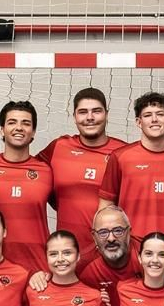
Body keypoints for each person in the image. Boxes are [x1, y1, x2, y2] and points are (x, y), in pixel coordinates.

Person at [98, 92, 164, 246]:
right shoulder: (121, 157)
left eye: (160, 114)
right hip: (130, 251)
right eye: (148, 115)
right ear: (138, 122)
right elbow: (105, 207)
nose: (154, 119)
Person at [38, 87, 127, 244]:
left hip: (110, 252)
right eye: (83, 112)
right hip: (68, 253)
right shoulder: (59, 147)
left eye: (96, 111)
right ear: (74, 117)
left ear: (107, 114)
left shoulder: (123, 153)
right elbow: (27, 170)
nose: (90, 117)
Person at [0, 101, 53, 274]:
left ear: (33, 132)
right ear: (2, 130)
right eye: (12, 122)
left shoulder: (46, 170)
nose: (19, 127)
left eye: (26, 123)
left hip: (39, 271)